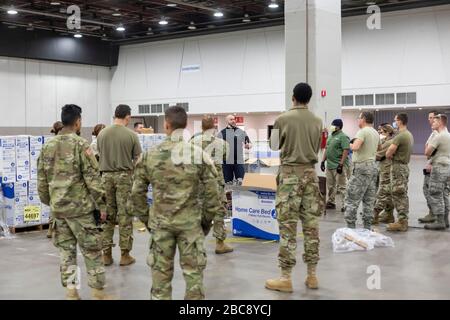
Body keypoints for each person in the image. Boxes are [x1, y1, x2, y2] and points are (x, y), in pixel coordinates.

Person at [128, 106, 222, 300]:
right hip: (190, 226)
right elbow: (213, 194)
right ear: (185, 125)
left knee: (160, 282)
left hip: (161, 226)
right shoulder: (198, 155)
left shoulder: (149, 155)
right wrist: (204, 222)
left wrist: (149, 221)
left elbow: (137, 194)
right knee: (194, 280)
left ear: (166, 124)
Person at [37, 104, 111, 300]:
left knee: (66, 253)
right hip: (81, 212)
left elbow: (42, 184)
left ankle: (71, 293)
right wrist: (102, 205)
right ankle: (98, 293)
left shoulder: (47, 146)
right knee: (92, 251)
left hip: (59, 212)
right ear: (78, 122)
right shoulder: (81, 145)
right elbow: (93, 180)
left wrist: (53, 202)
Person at [265, 83, 323, 292]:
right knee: (311, 227)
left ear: (293, 97)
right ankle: (312, 276)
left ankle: (286, 277)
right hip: (310, 176)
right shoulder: (318, 121)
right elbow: (317, 147)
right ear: (309, 99)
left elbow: (273, 146)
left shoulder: (282, 119)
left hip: (290, 177)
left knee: (288, 228)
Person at [97, 105, 142, 266]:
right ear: (128, 117)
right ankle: (125, 255)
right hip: (124, 178)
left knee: (108, 216)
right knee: (124, 216)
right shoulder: (131, 135)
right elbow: (138, 159)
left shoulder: (102, 134)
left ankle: (106, 255)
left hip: (105, 177)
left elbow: (98, 155)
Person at [191, 115, 233, 254]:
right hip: (216, 181)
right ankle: (220, 243)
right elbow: (226, 158)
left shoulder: (192, 142)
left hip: (199, 181)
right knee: (219, 211)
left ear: (201, 127)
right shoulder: (222, 143)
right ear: (214, 127)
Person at [344, 112, 379, 230]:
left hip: (361, 167)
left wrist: (349, 143)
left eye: (358, 118)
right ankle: (367, 227)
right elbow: (379, 148)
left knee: (352, 198)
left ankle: (350, 228)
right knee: (369, 199)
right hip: (372, 167)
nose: (357, 120)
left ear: (363, 119)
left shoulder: (362, 131)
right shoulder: (375, 132)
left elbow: (355, 147)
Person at [385, 113, 414, 232]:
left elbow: (389, 151)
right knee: (401, 192)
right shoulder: (409, 135)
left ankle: (402, 221)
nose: (394, 122)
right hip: (404, 166)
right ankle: (402, 220)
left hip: (398, 167)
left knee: (398, 193)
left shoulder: (401, 135)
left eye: (395, 120)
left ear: (400, 121)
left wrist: (389, 155)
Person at [424, 114, 450, 230]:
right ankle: (445, 219)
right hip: (447, 166)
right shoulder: (448, 135)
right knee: (445, 193)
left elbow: (427, 152)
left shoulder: (439, 136)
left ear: (440, 122)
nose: (432, 123)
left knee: (435, 193)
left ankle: (439, 221)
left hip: (439, 166)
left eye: (434, 122)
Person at [320, 119, 350, 212]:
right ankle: (331, 202)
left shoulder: (343, 137)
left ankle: (346, 204)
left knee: (342, 186)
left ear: (338, 127)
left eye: (334, 125)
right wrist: (322, 161)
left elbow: (346, 150)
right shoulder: (330, 136)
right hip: (329, 165)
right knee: (330, 186)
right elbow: (327, 149)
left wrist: (341, 164)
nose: (332, 126)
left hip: (338, 165)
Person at [418, 111, 440, 224]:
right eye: (429, 117)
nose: (429, 120)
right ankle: (434, 213)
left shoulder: (438, 134)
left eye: (432, 118)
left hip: (435, 166)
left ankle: (434, 214)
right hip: (431, 164)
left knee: (430, 190)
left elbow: (429, 151)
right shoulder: (433, 133)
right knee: (428, 190)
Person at [219, 115, 252, 184]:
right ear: (227, 121)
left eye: (234, 119)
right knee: (228, 183)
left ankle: (241, 194)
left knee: (241, 182)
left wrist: (248, 145)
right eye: (231, 119)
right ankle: (229, 194)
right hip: (226, 162)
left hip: (239, 161)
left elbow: (249, 143)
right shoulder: (222, 133)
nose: (233, 121)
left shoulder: (240, 132)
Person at [373, 124, 395, 225]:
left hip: (386, 170)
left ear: (388, 132)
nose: (379, 133)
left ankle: (375, 215)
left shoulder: (389, 142)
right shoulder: (387, 141)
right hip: (385, 169)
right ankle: (389, 215)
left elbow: (377, 155)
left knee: (382, 193)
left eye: (381, 132)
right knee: (388, 194)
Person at [46, 121, 65, 239]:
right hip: (65, 178)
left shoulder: (50, 143)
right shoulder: (67, 142)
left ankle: (50, 229)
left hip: (53, 179)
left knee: (53, 204)